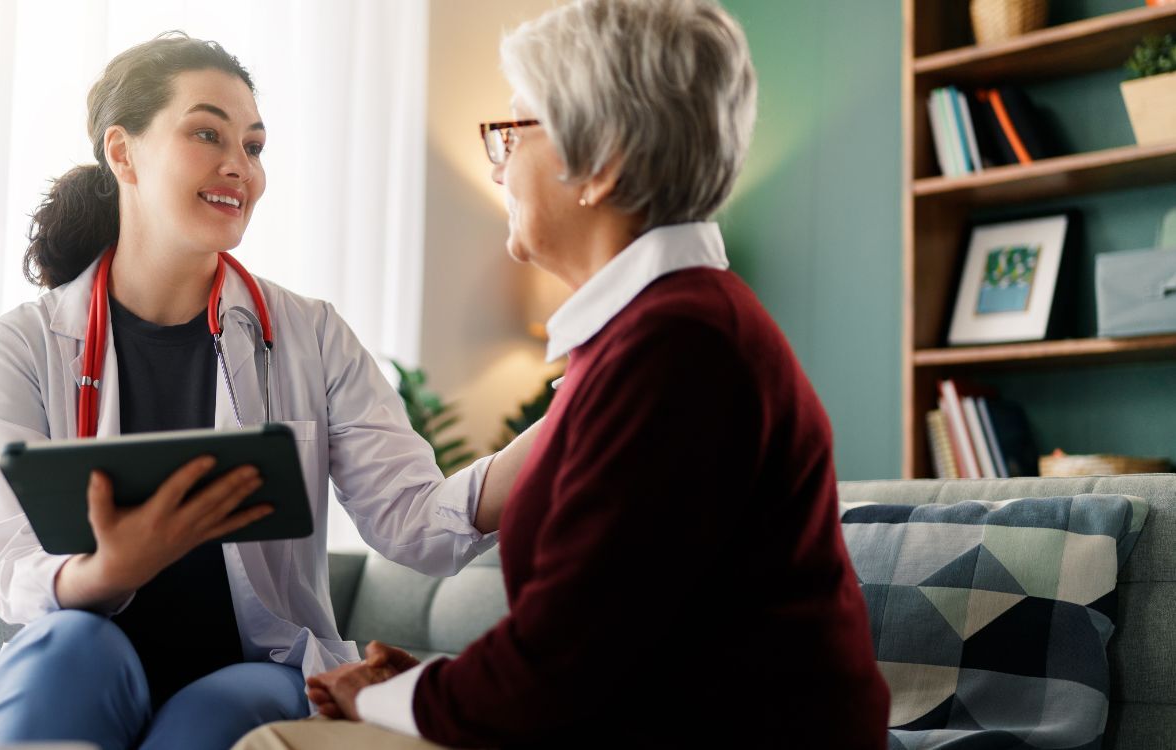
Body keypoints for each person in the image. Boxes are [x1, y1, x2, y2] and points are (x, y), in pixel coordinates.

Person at [240, 0, 890, 747]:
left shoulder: (677, 349)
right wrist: (420, 691)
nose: (499, 164)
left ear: (601, 160)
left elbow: (564, 666)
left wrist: (390, 697)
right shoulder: (658, 335)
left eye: (514, 131)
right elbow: (601, 638)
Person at [0, 32, 539, 750]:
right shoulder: (25, 343)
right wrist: (107, 571)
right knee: (67, 656)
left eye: (254, 146)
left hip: (254, 668)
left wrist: (574, 411)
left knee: (212, 717)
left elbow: (415, 522)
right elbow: (5, 559)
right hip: (82, 654)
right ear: (122, 152)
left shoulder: (310, 335)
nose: (241, 166)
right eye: (208, 133)